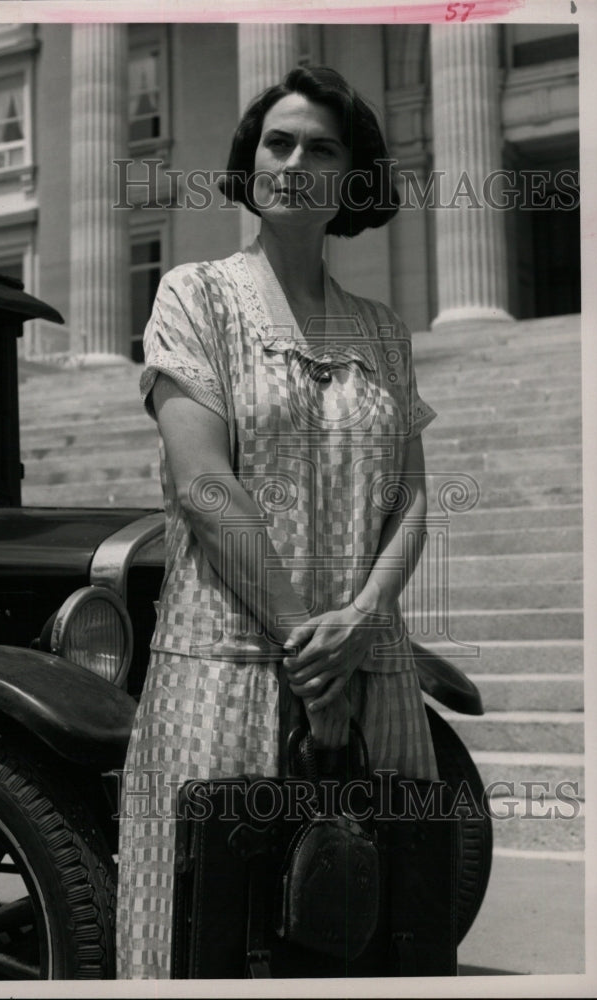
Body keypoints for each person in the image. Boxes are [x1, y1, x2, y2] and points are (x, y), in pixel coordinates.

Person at [116, 65, 439, 980]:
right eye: (277, 142)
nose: (294, 161)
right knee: (212, 935)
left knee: (369, 933)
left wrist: (361, 623)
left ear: (352, 178)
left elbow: (411, 496)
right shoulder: (195, 294)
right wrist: (310, 645)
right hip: (230, 679)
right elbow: (203, 484)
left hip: (369, 675)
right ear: (250, 162)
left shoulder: (383, 330)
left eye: (322, 147)